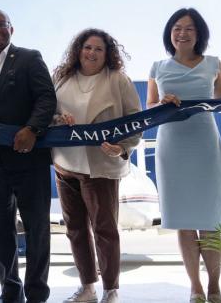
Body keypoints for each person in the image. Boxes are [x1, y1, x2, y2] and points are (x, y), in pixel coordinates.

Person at [147, 8, 221, 303]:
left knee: (210, 220)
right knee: (184, 222)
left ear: (199, 34)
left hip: (205, 145)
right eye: (176, 27)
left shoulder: (214, 64)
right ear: (169, 33)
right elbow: (147, 110)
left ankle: (214, 287)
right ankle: (195, 288)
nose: (182, 33)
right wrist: (162, 103)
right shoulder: (157, 67)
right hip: (172, 147)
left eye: (189, 28)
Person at [0, 9, 56, 303]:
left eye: (2, 24)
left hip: (30, 158)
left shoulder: (29, 58)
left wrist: (32, 128)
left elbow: (46, 98)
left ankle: (37, 294)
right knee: (0, 231)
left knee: (36, 229)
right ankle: (10, 291)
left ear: (11, 30)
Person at [52, 29, 142, 303]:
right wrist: (58, 120)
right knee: (75, 229)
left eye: (98, 49)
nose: (91, 53)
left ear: (107, 54)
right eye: (87, 47)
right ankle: (87, 287)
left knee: (104, 229)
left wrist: (123, 147)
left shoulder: (118, 80)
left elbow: (136, 119)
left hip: (101, 165)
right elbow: (48, 112)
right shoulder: (61, 77)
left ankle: (111, 289)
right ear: (78, 49)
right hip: (65, 164)